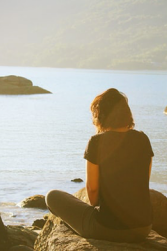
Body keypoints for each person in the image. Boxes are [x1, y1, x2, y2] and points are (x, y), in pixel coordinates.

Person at [45, 88, 154, 243]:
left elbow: (94, 196)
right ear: (127, 113)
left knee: (51, 196)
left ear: (100, 115)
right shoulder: (143, 139)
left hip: (108, 229)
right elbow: (143, 181)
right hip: (143, 228)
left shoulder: (96, 142)